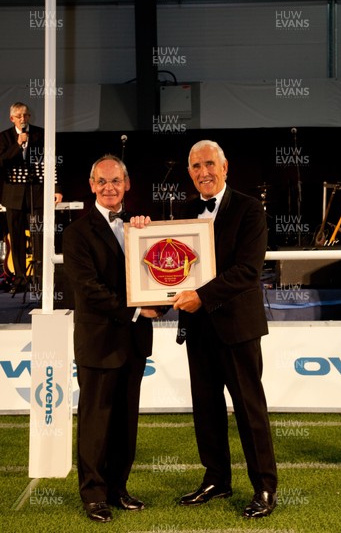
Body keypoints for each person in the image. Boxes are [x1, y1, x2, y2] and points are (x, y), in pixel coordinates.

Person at [171, 140, 278, 518]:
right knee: (206, 409)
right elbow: (168, 262)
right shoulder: (184, 211)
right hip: (198, 330)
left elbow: (248, 271)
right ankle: (217, 478)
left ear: (225, 166)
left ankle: (265, 488)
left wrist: (201, 295)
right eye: (197, 167)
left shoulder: (250, 209)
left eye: (210, 164)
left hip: (237, 329)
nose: (204, 172)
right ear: (190, 173)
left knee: (250, 410)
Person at [62, 154, 160, 523]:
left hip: (133, 343)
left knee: (125, 422)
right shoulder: (76, 233)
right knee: (95, 423)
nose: (109, 187)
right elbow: (89, 290)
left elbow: (160, 275)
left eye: (115, 180)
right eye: (101, 182)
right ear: (91, 186)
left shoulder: (141, 228)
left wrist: (161, 305)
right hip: (99, 343)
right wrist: (137, 311)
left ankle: (119, 488)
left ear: (127, 184)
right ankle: (93, 495)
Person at [0, 102, 62, 292]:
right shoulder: (4, 137)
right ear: (12, 119)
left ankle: (42, 278)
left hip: (37, 193)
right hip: (13, 195)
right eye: (19, 116)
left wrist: (56, 188)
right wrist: (17, 144)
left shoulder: (40, 134)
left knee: (40, 235)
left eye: (26, 115)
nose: (23, 119)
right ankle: (20, 279)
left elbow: (51, 162)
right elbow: (2, 162)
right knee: (16, 237)